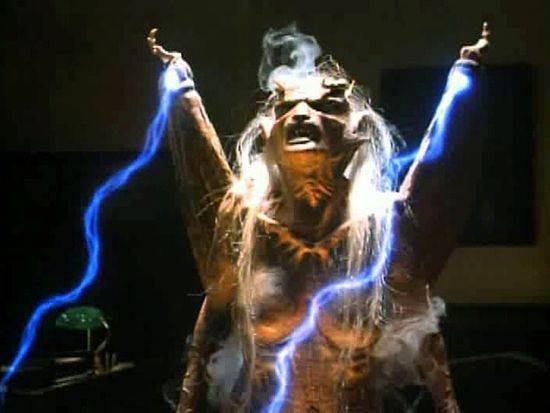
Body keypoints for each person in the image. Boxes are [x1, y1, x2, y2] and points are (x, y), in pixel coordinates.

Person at [148, 23, 489, 412]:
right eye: (286, 108)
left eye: (325, 106)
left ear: (356, 131)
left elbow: (420, 326)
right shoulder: (243, 221)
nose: (301, 115)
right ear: (267, 133)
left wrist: (448, 404)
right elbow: (214, 311)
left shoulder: (384, 224)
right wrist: (187, 403)